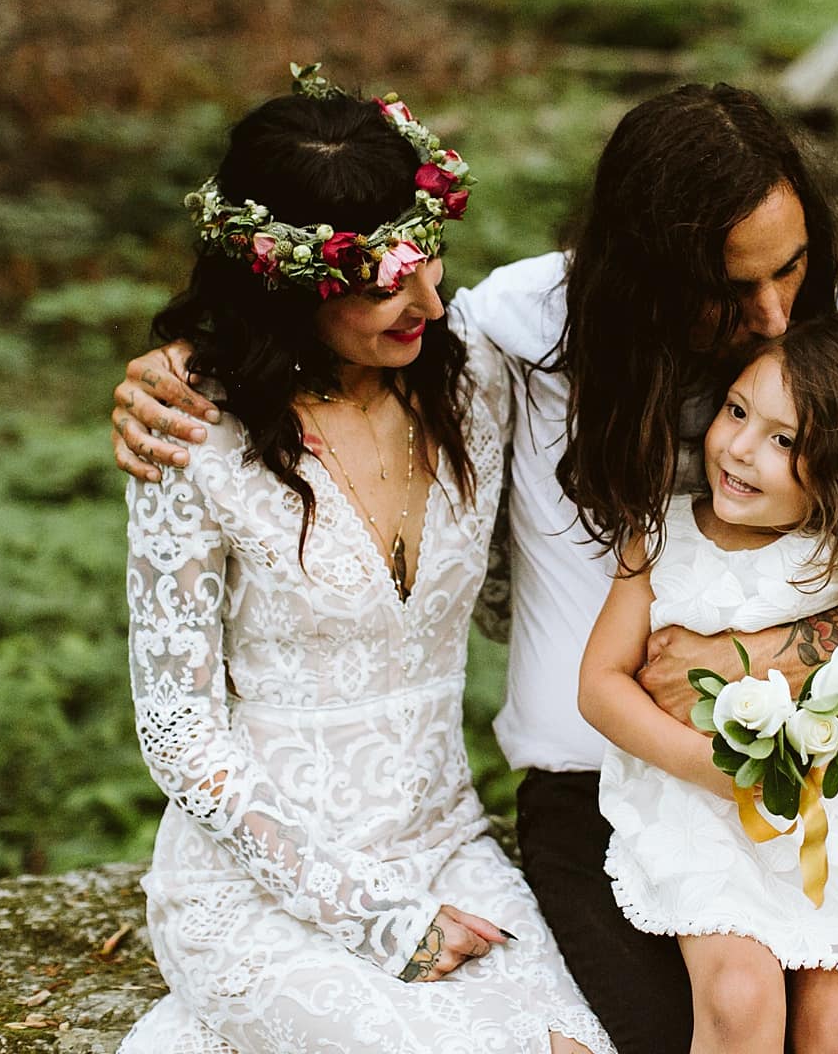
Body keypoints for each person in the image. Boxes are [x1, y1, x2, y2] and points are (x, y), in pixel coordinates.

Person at [111, 82, 838, 1053]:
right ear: (643, 270)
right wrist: (179, 369)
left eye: (790, 268)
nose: (771, 314)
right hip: (598, 795)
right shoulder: (516, 333)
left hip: (825, 788)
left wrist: (777, 659)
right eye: (726, 288)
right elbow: (318, 344)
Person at [116, 67, 612, 1054]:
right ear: (285, 278)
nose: (427, 295)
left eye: (429, 254)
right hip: (264, 884)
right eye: (382, 274)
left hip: (446, 848)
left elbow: (523, 595)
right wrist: (370, 917)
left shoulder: (477, 381)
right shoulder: (191, 437)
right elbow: (177, 732)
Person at [580, 315, 838, 1054]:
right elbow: (601, 684)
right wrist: (703, 767)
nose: (740, 448)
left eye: (784, 440)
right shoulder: (663, 533)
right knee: (739, 1001)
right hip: (705, 805)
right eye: (738, 411)